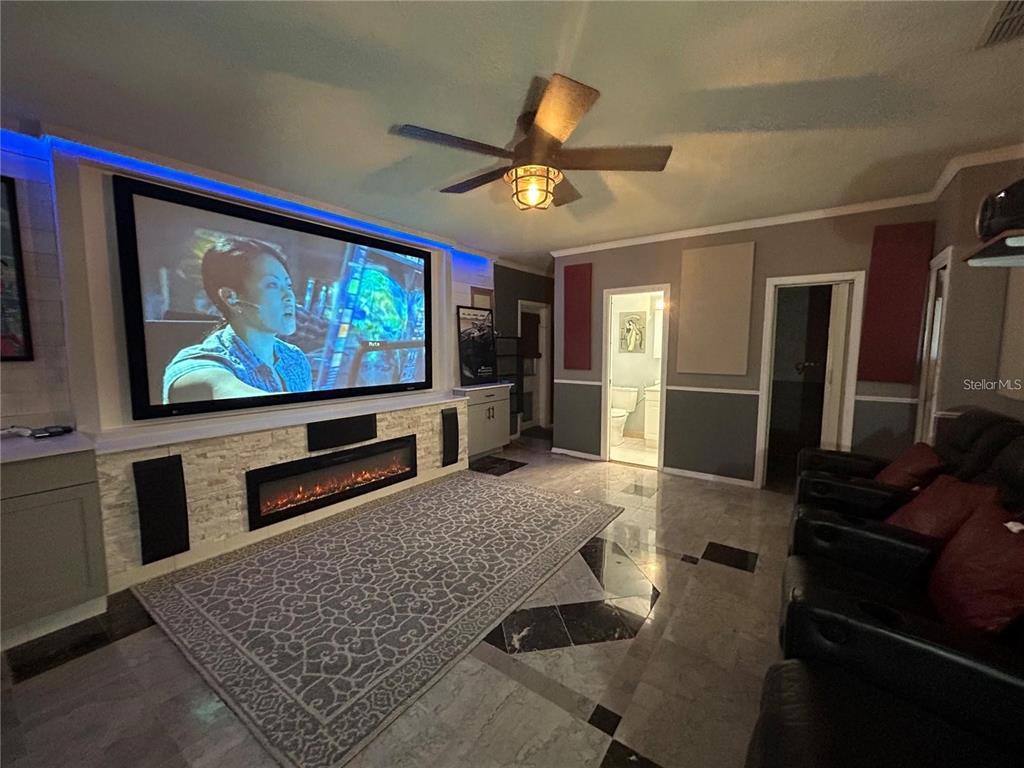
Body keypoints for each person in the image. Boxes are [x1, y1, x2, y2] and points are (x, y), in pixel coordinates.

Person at [163, 236, 312, 403]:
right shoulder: (198, 362)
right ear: (230, 297)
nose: (288, 297)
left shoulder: (294, 357)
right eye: (272, 285)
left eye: (288, 286)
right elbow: (218, 385)